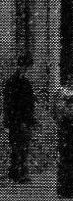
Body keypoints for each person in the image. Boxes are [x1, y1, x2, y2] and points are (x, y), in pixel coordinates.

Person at [5, 55, 36, 183]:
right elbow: (10, 104)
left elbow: (29, 103)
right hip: (17, 120)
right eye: (26, 67)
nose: (27, 70)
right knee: (18, 147)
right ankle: (18, 174)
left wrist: (31, 119)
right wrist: (18, 120)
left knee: (23, 147)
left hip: (24, 119)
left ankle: (18, 173)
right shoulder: (13, 82)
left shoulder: (25, 82)